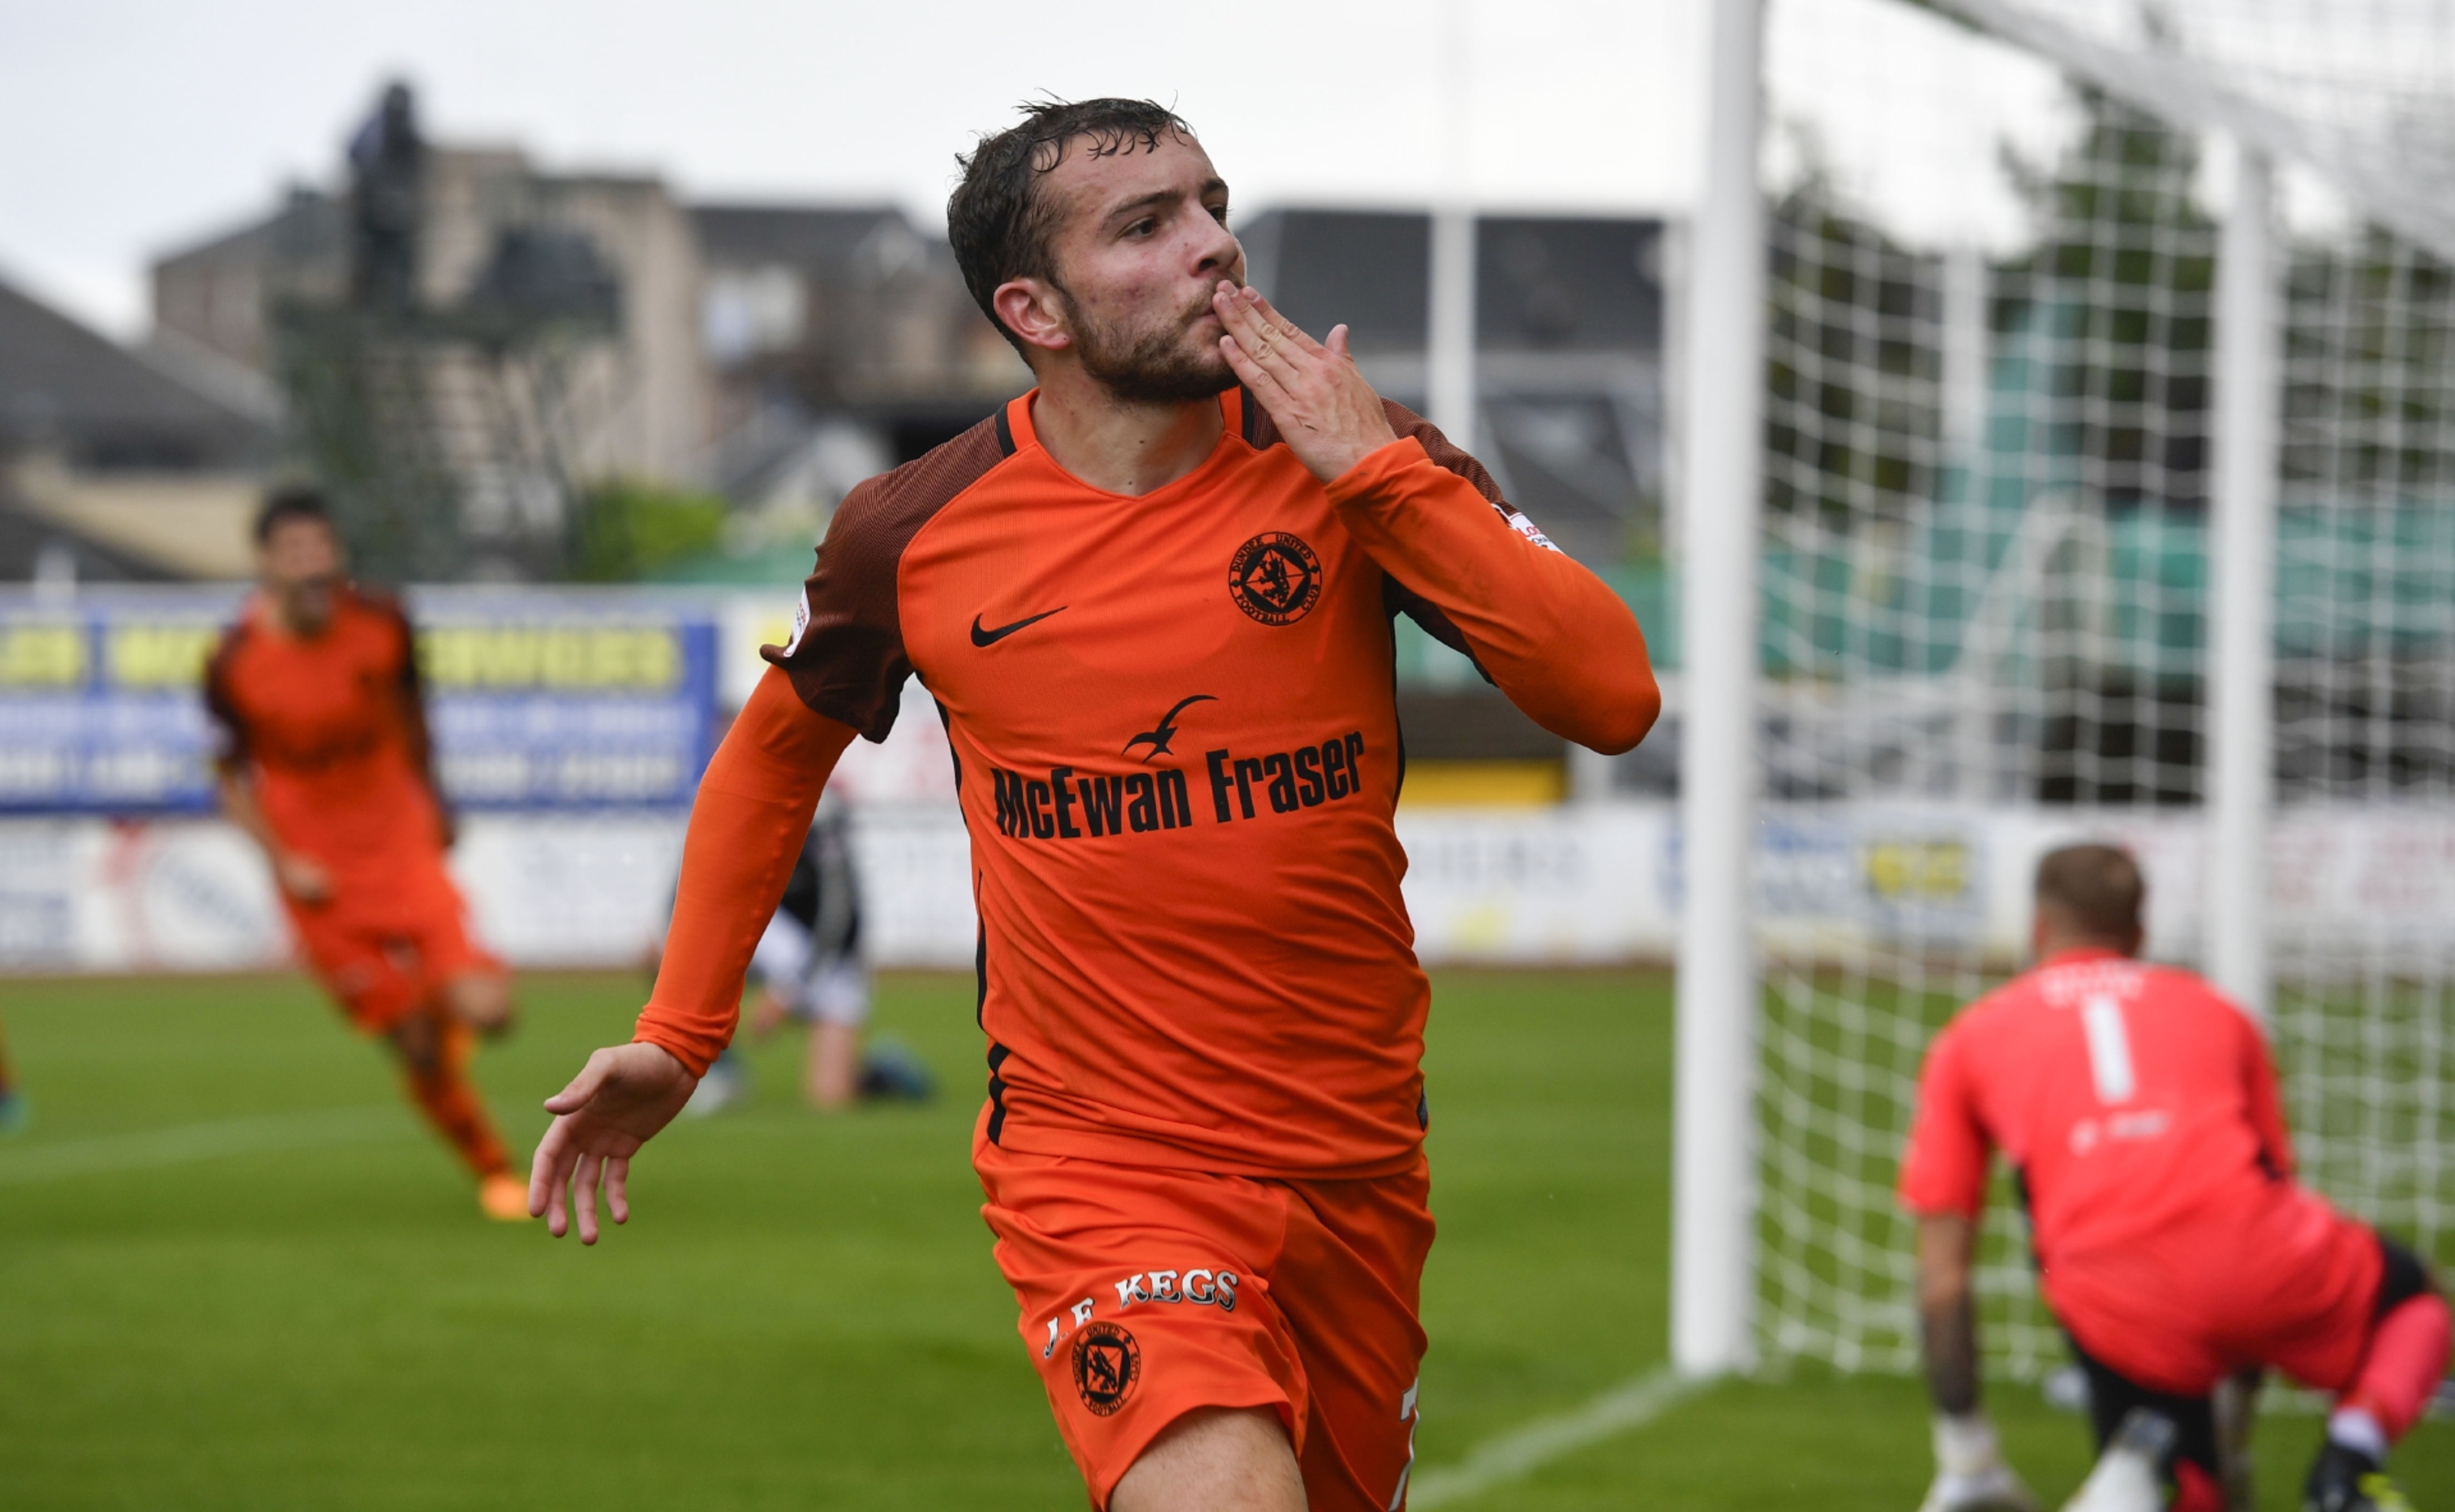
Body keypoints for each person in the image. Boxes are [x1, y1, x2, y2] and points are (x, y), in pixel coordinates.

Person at [527, 97, 1658, 1511]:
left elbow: (1611, 697)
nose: (1215, 248)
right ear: (1034, 308)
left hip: (1355, 1157)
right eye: (1147, 225)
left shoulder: (1352, 455)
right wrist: (679, 1035)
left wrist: (1376, 472)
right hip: (1100, 1155)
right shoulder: (912, 531)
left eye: (1210, 203)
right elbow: (773, 754)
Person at [1900, 844, 2450, 1512]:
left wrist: (1967, 1456)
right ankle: (2348, 1462)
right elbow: (2272, 1182)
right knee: (2415, 1303)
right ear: (2139, 933)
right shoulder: (2217, 1009)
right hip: (2253, 1253)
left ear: (2039, 927)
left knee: (2190, 1489)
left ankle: (2150, 1465)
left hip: (2113, 1300)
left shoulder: (1969, 1037)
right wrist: (2238, 1419)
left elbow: (1943, 1277)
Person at [206, 488, 525, 1220]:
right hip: (320, 882)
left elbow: (415, 716)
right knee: (415, 1046)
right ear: (265, 563)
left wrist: (436, 799)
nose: (315, 562)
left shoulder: (382, 624)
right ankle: (494, 1170)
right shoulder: (235, 663)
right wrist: (281, 860)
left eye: (324, 546)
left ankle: (445, 1012)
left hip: (402, 850)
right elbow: (228, 781)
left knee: (493, 1011)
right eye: (296, 550)